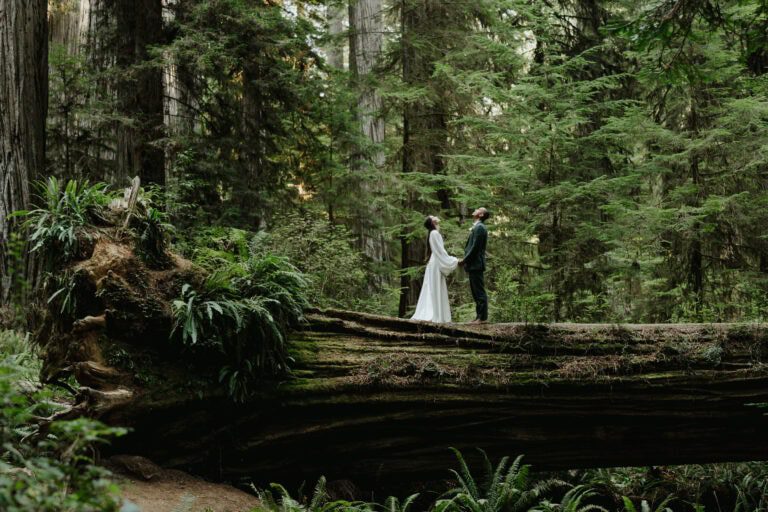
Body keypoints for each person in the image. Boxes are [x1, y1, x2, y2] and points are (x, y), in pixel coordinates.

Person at [411, 216, 459, 323]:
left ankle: (434, 313)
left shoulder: (433, 233)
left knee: (433, 288)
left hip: (433, 263)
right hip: (436, 264)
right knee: (434, 288)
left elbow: (438, 251)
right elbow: (440, 251)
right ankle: (435, 314)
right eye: (433, 217)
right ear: (432, 222)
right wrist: (453, 260)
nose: (435, 217)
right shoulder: (435, 233)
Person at [459, 207, 489, 324]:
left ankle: (482, 318)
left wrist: (465, 260)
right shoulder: (477, 227)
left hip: (476, 264)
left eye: (478, 209)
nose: (476, 209)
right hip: (473, 265)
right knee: (475, 292)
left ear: (481, 215)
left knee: (479, 292)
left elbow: (475, 248)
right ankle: (478, 317)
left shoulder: (480, 227)